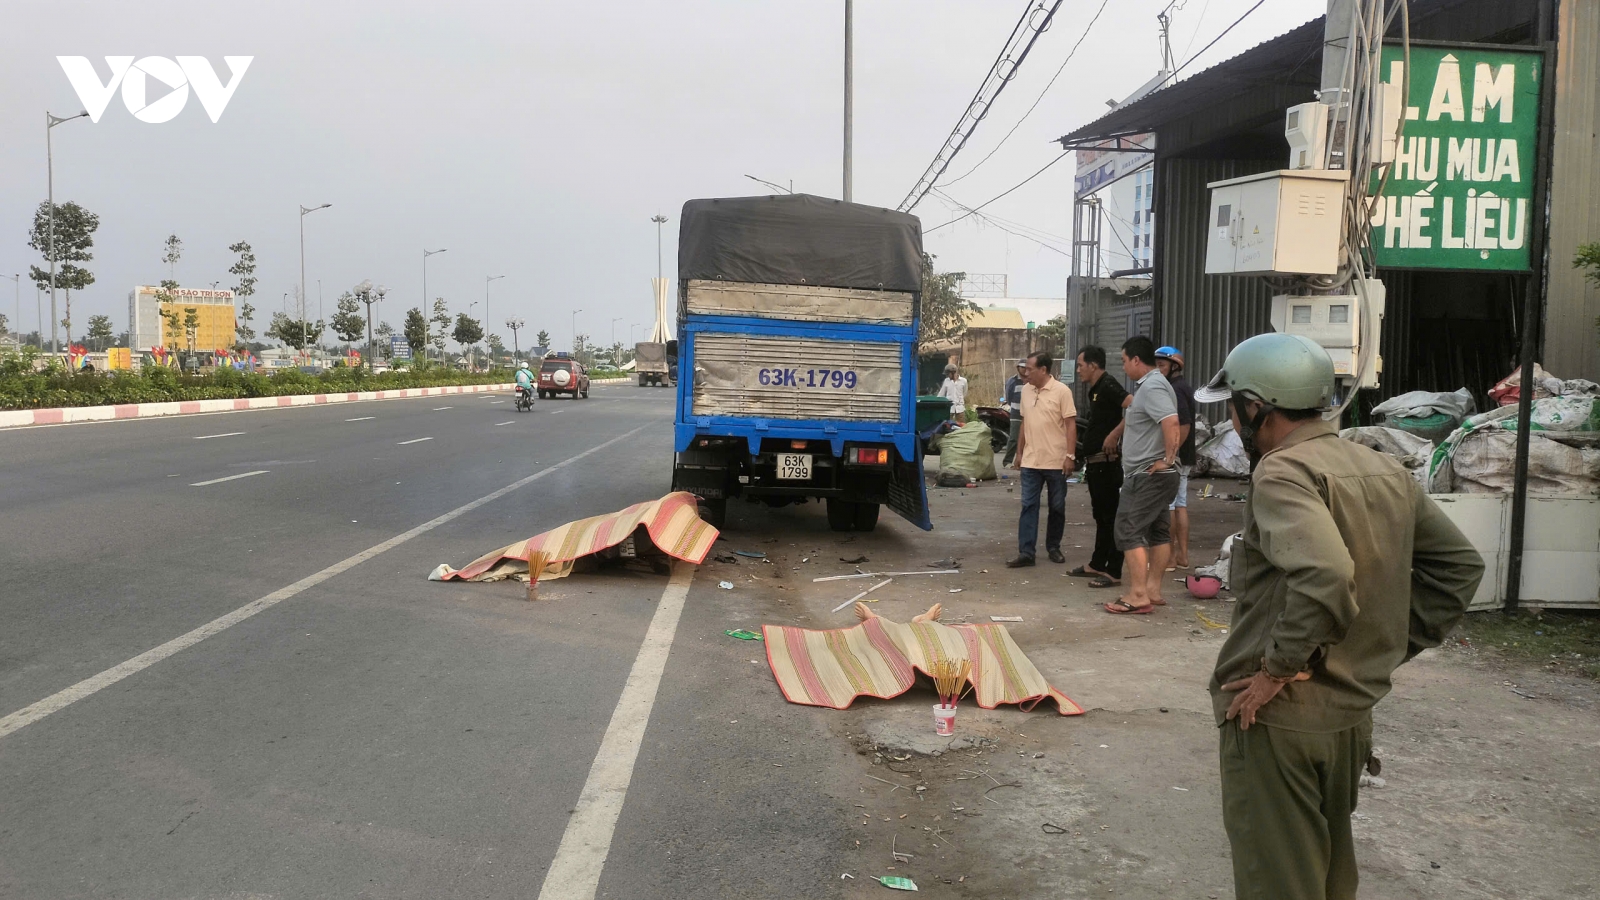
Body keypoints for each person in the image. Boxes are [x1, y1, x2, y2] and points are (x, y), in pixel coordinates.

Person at [1195, 332, 1484, 900]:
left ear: (1256, 407)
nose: (1231, 423)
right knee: (1329, 876)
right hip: (1349, 714)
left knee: (1279, 881)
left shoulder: (1281, 472)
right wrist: (1382, 648)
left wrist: (1278, 669)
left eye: (1233, 409)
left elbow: (1326, 573)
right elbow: (1458, 569)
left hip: (1277, 719)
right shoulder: (1380, 467)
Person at [1103, 336, 1181, 614]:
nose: (1123, 367)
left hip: (1148, 474)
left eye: (1124, 361)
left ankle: (1138, 594)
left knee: (1128, 530)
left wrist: (1167, 460)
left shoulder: (1153, 386)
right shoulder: (1153, 386)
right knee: (1158, 531)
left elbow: (1171, 422)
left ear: (1136, 360)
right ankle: (1152, 590)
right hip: (1153, 473)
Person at [1006, 352, 1076, 568]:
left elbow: (1071, 424)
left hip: (1056, 461)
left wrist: (1070, 456)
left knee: (1057, 507)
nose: (1025, 373)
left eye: (1030, 369)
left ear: (1044, 370)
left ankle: (1053, 547)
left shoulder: (1062, 391)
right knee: (1028, 506)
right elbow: (1024, 424)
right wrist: (1019, 452)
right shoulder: (1026, 391)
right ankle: (1026, 552)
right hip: (1030, 461)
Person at [1071, 346, 1127, 588]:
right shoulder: (1095, 389)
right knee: (1101, 517)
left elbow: (1134, 406)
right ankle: (1097, 563)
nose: (1078, 370)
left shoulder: (1109, 384)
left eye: (1081, 365)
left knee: (1110, 518)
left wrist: (1115, 435)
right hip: (1095, 465)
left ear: (1093, 365)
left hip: (1107, 465)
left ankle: (1113, 571)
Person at [1155, 346, 1196, 569]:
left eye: (1162, 365)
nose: (1158, 369)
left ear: (1174, 367)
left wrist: (1170, 455)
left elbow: (1185, 425)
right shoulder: (1181, 386)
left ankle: (1169, 558)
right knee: (1180, 505)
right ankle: (1182, 557)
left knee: (1169, 506)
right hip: (1185, 455)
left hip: (1177, 457)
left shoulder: (1176, 389)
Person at [1000, 359, 1026, 466]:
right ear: (1018, 368)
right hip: (1016, 413)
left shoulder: (1030, 380)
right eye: (1022, 367)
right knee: (1014, 438)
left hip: (1028, 414)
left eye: (1025, 367)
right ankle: (1007, 461)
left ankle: (1024, 461)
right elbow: (1009, 397)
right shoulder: (1013, 381)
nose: (1024, 370)